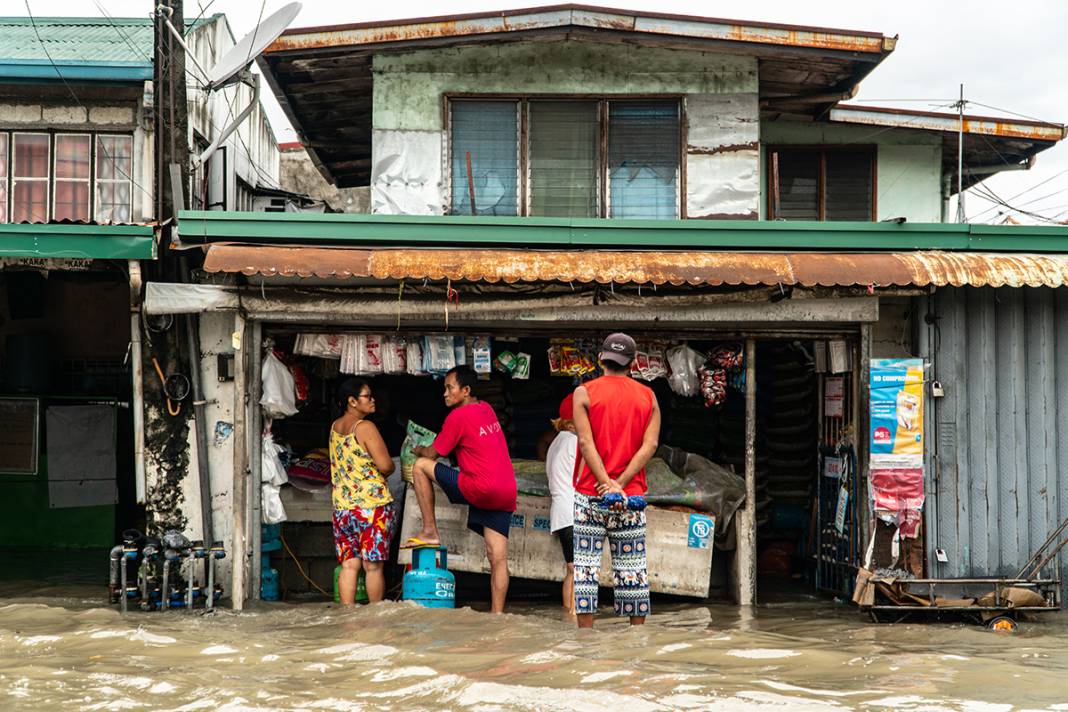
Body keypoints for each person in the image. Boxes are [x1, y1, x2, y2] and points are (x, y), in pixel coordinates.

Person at [406, 365, 517, 613]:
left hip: (480, 487)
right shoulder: (486, 409)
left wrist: (418, 449)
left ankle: (430, 530)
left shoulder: (458, 416)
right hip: (506, 490)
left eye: (449, 388)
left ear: (465, 391)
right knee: (498, 558)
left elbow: (434, 453)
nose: (445, 394)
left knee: (421, 466)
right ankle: (497, 615)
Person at [572, 333, 661, 629]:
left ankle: (585, 640)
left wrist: (606, 484)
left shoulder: (583, 393)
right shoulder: (649, 397)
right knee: (633, 570)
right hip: (631, 497)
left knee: (586, 571)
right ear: (633, 363)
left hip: (590, 495)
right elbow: (649, 446)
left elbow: (586, 443)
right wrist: (620, 483)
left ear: (601, 359)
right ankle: (636, 639)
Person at [330, 377, 396, 604]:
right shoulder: (365, 427)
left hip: (343, 509)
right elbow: (386, 465)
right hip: (371, 506)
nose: (373, 400)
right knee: (373, 566)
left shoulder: (335, 427)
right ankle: (376, 615)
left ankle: (347, 615)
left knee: (349, 564)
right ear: (352, 401)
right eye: (367, 396)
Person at [546, 393, 579, 617]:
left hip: (560, 513)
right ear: (569, 423)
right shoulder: (573, 441)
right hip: (572, 512)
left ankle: (568, 616)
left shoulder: (556, 443)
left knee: (571, 570)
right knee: (577, 570)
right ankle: (575, 617)